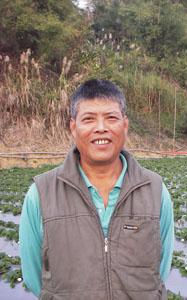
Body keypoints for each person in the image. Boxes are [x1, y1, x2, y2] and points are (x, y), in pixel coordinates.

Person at [19, 79, 174, 300]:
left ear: (125, 125)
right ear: (73, 127)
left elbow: (160, 271)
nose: (101, 128)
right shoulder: (40, 195)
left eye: (111, 118)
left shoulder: (155, 191)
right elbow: (35, 279)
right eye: (89, 119)